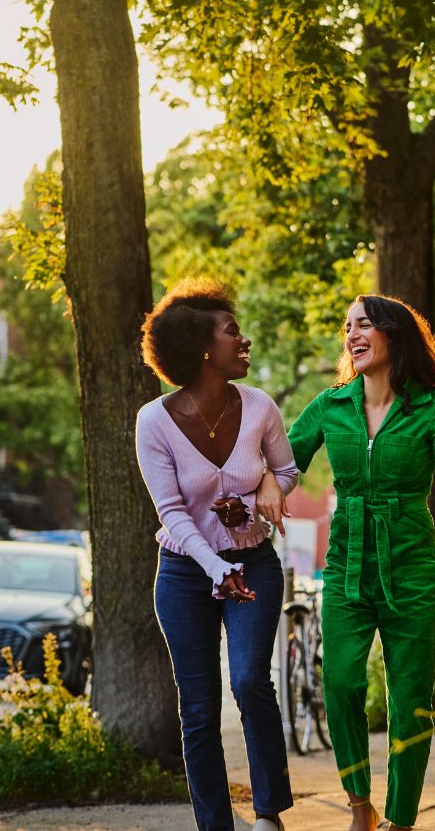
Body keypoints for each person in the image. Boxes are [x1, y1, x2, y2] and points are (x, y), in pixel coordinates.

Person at [288, 294, 435, 831]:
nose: (352, 334)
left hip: (414, 568)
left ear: (393, 334)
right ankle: (359, 806)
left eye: (364, 324)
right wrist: (264, 486)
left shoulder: (434, 408)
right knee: (342, 684)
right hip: (347, 566)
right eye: (347, 326)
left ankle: (399, 820)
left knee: (411, 700)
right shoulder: (331, 405)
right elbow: (282, 459)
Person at [134, 278, 296, 831]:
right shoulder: (153, 422)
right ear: (204, 349)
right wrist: (214, 566)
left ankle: (269, 814)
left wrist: (271, 488)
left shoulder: (259, 408)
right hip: (184, 574)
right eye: (233, 332)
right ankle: (214, 826)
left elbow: (288, 468)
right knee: (199, 710)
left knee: (251, 680)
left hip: (253, 563)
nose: (244, 339)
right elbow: (172, 511)